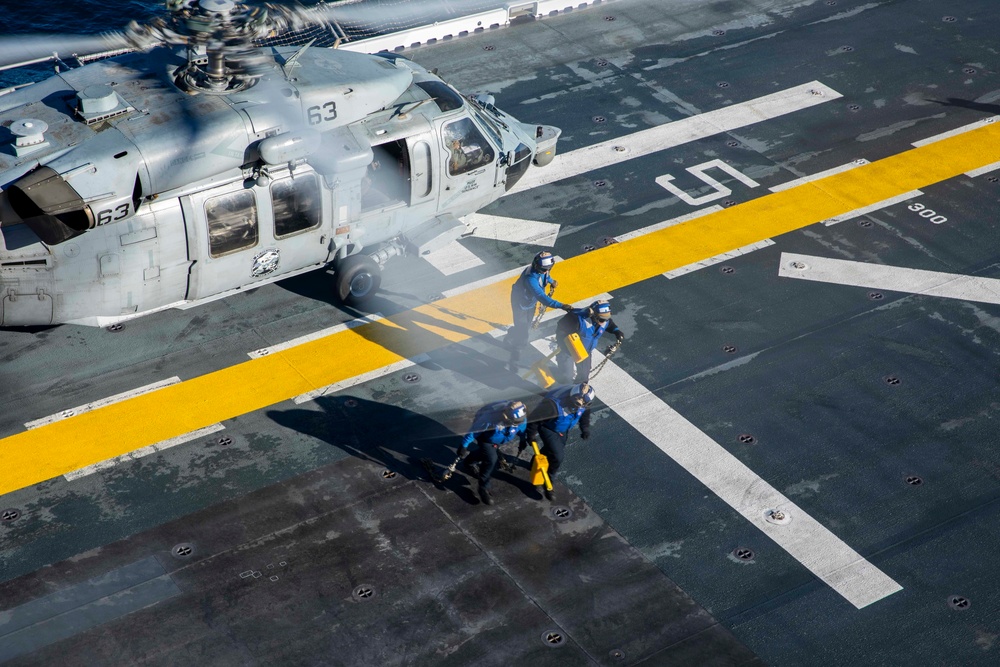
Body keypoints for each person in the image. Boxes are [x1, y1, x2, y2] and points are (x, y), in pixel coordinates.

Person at [523, 383, 595, 501]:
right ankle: (549, 482)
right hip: (548, 427)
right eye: (577, 401)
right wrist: (530, 435)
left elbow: (584, 414)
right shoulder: (552, 406)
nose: (579, 405)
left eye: (583, 404)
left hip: (562, 428)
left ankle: (532, 464)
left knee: (550, 449)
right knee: (557, 456)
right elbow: (535, 419)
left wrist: (585, 428)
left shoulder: (584, 404)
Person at [506, 251, 573, 372]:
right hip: (520, 303)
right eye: (543, 269)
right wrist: (561, 305)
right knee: (523, 333)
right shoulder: (530, 279)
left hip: (530, 302)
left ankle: (512, 333)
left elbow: (546, 276)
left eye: (547, 269)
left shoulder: (543, 269)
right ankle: (515, 352)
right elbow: (541, 296)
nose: (545, 271)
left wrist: (551, 281)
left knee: (525, 326)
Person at [457, 400, 528, 505]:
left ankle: (469, 462)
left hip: (499, 438)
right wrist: (464, 445)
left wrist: (523, 440)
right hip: (486, 437)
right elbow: (474, 431)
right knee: (491, 459)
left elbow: (521, 429)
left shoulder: (520, 418)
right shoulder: (489, 418)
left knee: (484, 454)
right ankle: (483, 487)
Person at [555, 299, 624, 383]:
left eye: (606, 318)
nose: (603, 322)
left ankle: (576, 391)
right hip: (568, 351)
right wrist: (564, 344)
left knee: (583, 378)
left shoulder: (604, 320)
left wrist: (617, 331)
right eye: (601, 319)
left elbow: (609, 323)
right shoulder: (576, 319)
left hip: (585, 352)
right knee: (566, 377)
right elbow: (561, 329)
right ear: (593, 315)